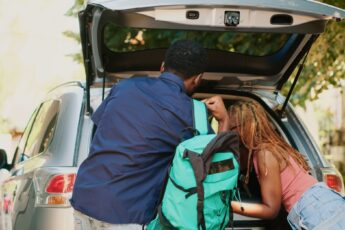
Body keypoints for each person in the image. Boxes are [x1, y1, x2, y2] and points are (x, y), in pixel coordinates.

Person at [71, 40, 228, 230]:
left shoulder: (124, 87)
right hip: (127, 215)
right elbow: (214, 167)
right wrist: (224, 120)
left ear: (162, 66)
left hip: (85, 199)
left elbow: (100, 130)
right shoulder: (194, 113)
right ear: (198, 78)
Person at [203, 97, 345, 229]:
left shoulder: (265, 153)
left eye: (231, 128)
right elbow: (225, 166)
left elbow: (271, 210)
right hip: (322, 205)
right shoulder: (265, 148)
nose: (229, 133)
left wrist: (228, 205)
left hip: (316, 211)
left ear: (245, 127)